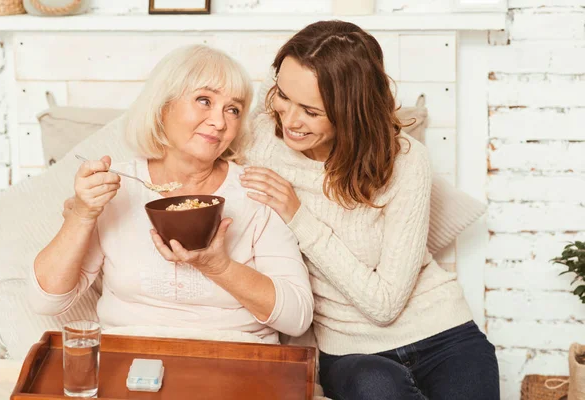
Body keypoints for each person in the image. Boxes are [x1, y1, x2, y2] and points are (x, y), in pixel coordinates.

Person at [240, 20, 500, 399]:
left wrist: (298, 216)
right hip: (350, 352)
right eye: (283, 96)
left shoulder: (405, 160)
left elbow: (385, 304)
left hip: (443, 333)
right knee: (375, 386)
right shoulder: (261, 140)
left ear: (350, 110)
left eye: (311, 111)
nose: (290, 120)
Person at [28, 45, 313, 344]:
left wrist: (219, 266)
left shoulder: (256, 190)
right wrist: (82, 215)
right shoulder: (116, 186)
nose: (219, 122)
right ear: (163, 106)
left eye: (233, 110)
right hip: (129, 357)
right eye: (204, 100)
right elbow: (46, 302)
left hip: (235, 358)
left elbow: (297, 317)